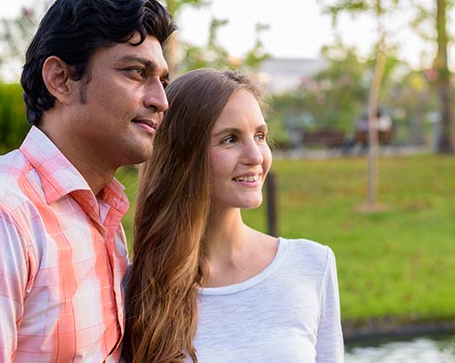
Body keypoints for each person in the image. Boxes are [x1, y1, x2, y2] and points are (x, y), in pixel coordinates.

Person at [0, 0, 175, 361]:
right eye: (137, 72)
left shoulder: (100, 212)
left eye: (162, 81)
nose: (161, 100)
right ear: (61, 80)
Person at [122, 69, 344, 363]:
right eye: (230, 139)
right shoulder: (134, 287)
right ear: (182, 155)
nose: (256, 156)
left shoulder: (311, 265)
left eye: (260, 136)